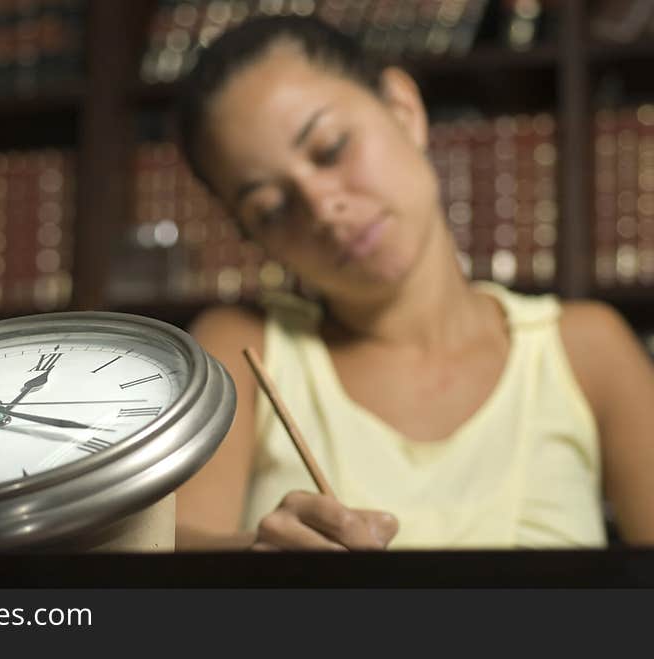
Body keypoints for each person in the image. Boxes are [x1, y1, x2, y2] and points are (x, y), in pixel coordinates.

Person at [171, 15, 654, 551]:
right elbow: (158, 562)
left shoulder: (586, 350)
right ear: (252, 237)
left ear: (403, 109)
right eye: (272, 207)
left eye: (331, 149)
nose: (323, 207)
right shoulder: (241, 350)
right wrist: (255, 560)